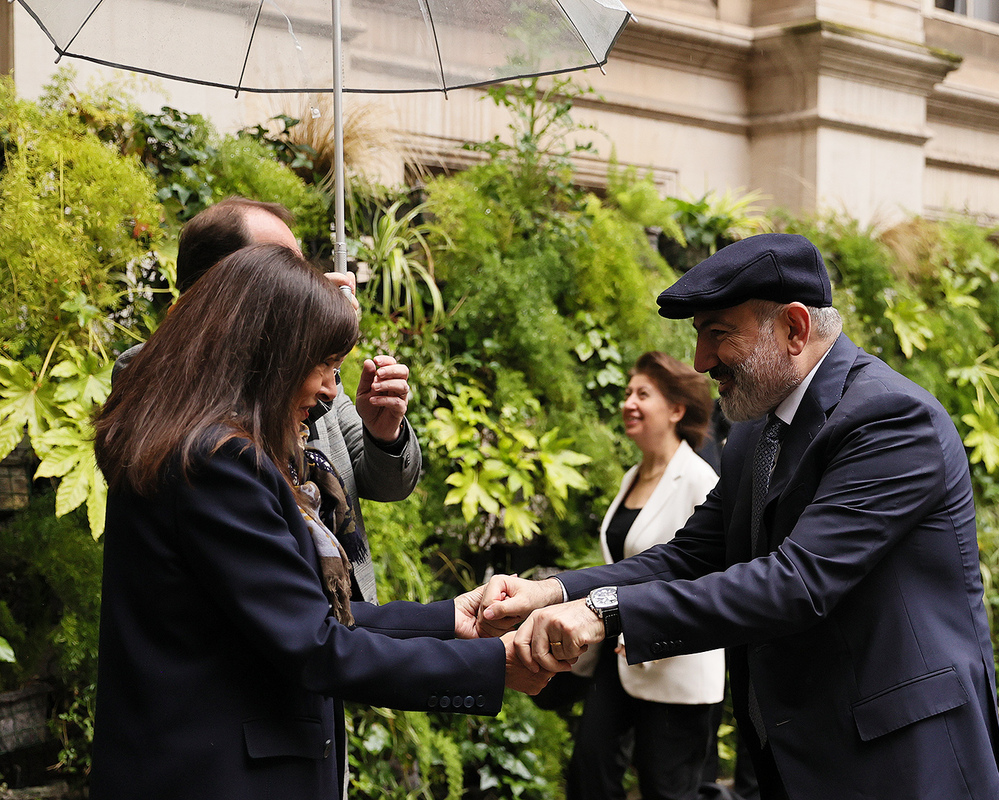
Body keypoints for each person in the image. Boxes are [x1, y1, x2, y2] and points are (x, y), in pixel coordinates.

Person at [476, 233, 999, 800]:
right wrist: (553, 592)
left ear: (795, 329)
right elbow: (688, 557)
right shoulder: (755, 434)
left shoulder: (891, 419)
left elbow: (797, 583)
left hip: (905, 764)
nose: (700, 361)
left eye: (718, 334)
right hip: (799, 759)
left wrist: (604, 613)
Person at [90, 244, 548, 800]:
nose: (332, 389)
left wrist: (452, 618)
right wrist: (494, 663)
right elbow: (313, 643)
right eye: (323, 364)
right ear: (267, 352)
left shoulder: (198, 444)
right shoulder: (217, 462)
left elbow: (299, 615)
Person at [116, 196, 418, 604]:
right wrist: (305, 355)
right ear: (231, 279)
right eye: (283, 263)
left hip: (342, 615)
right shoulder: (154, 374)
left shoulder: (318, 378)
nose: (303, 277)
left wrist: (384, 434)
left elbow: (389, 485)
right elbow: (245, 414)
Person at [568, 351, 722, 800]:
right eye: (627, 393)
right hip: (616, 653)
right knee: (590, 771)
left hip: (676, 661)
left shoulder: (699, 480)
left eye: (643, 394)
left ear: (676, 410)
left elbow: (710, 573)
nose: (628, 403)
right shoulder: (632, 477)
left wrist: (651, 625)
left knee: (666, 789)